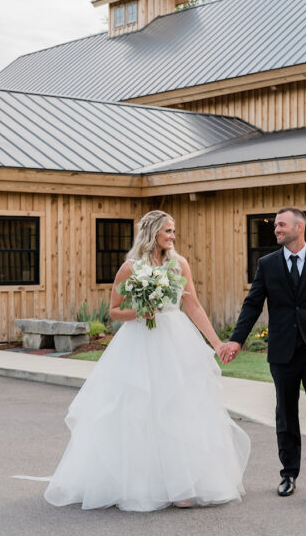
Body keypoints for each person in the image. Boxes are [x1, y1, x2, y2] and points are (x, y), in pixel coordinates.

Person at [42, 210, 250, 511]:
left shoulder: (180, 265)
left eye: (173, 231)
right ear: (153, 232)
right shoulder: (131, 268)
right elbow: (113, 310)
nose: (173, 236)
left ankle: (183, 484)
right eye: (168, 231)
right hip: (139, 343)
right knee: (139, 410)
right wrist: (138, 313)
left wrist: (216, 343)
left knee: (179, 409)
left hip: (176, 341)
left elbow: (192, 305)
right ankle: (141, 484)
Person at [220, 207, 306, 499]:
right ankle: (288, 474)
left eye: (281, 225)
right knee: (286, 415)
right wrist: (237, 340)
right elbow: (252, 305)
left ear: (299, 227)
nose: (276, 229)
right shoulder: (268, 264)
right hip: (283, 353)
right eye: (275, 225)